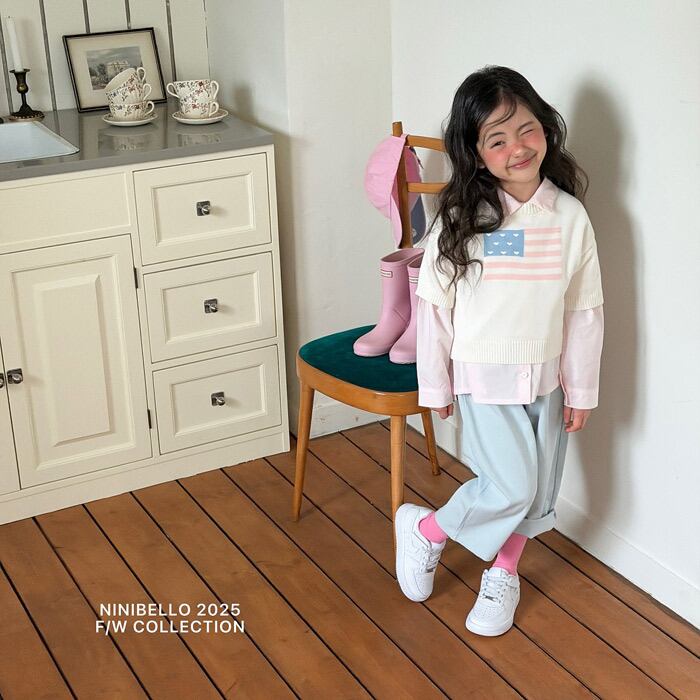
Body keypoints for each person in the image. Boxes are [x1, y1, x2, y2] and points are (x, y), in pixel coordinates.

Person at [394, 66, 604, 637]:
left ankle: (503, 571)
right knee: (510, 486)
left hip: (549, 377)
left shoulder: (569, 217)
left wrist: (581, 388)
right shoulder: (461, 220)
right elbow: (434, 309)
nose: (518, 147)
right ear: (476, 153)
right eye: (497, 138)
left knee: (538, 492)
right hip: (483, 378)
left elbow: (583, 310)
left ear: (547, 129)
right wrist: (435, 384)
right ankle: (428, 531)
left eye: (526, 129)